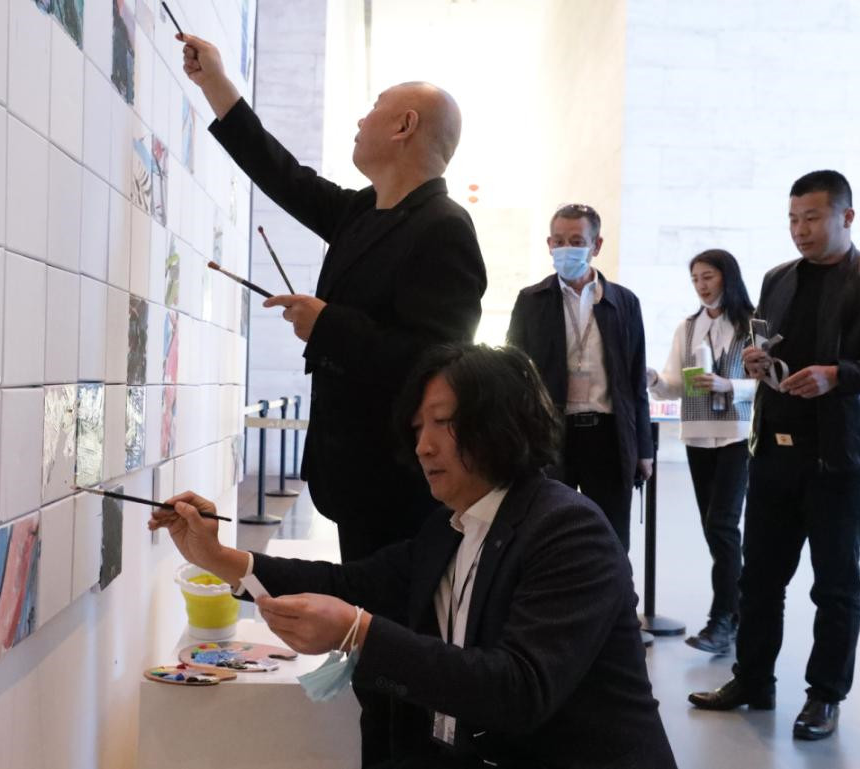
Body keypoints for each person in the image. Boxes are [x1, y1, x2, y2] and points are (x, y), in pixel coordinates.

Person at [180, 34, 487, 764]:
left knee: (399, 665)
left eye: (373, 108)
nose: (359, 119)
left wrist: (330, 325)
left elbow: (440, 364)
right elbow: (282, 175)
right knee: (370, 669)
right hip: (358, 482)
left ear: (405, 126)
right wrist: (217, 85)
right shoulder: (364, 214)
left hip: (402, 487)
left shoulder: (444, 228)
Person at [150, 344, 678, 769]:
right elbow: (352, 585)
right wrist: (218, 558)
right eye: (418, 428)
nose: (424, 446)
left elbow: (518, 691)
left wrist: (359, 632)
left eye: (442, 422)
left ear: (501, 422)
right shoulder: (450, 528)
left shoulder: (567, 530)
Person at [688, 170, 860, 740]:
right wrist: (753, 356)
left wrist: (838, 376)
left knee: (835, 585)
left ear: (847, 216)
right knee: (759, 579)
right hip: (774, 452)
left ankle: (824, 697)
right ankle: (753, 679)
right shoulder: (778, 278)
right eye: (793, 219)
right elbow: (763, 336)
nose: (800, 230)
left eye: (812, 218)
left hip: (841, 458)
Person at [507, 203, 653, 551]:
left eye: (576, 241)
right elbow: (513, 375)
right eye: (558, 241)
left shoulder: (624, 302)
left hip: (608, 434)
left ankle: (614, 588)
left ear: (596, 245)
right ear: (548, 244)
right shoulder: (531, 300)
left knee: (611, 536)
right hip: (551, 434)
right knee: (548, 531)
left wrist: (644, 448)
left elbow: (636, 380)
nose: (565, 249)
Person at [647, 249, 756, 654]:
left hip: (737, 435)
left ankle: (721, 620)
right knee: (715, 530)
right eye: (695, 279)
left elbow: (771, 382)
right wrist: (653, 379)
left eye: (708, 276)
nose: (701, 285)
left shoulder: (755, 325)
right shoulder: (688, 327)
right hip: (697, 434)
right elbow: (675, 384)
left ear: (728, 276)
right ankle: (738, 611)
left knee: (723, 525)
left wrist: (731, 386)